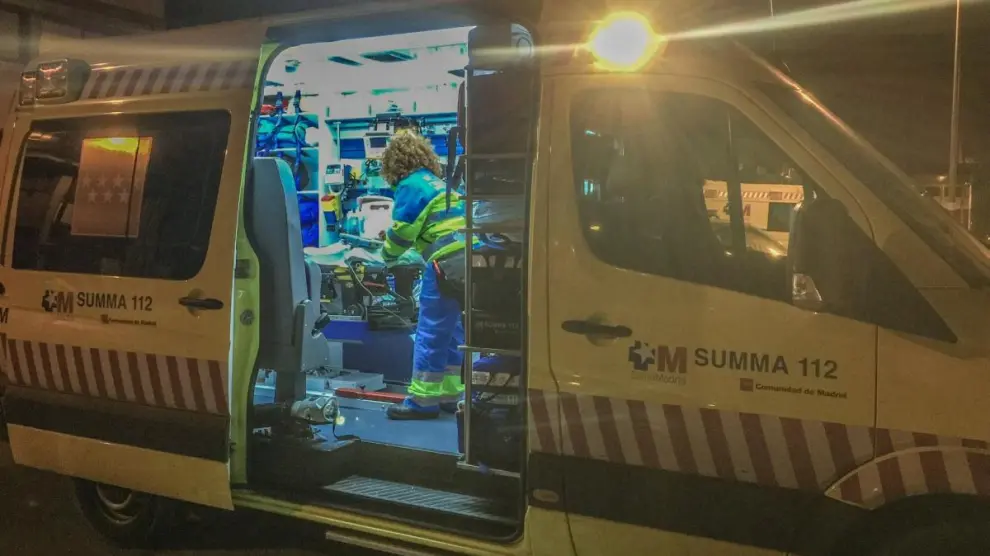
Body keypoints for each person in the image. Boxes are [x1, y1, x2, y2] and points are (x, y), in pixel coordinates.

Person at [379, 131, 466, 420]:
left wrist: (386, 255)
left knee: (430, 331)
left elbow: (402, 232)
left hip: (444, 263)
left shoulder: (411, 185)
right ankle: (450, 395)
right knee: (453, 331)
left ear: (394, 163)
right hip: (468, 258)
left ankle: (422, 401)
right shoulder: (437, 183)